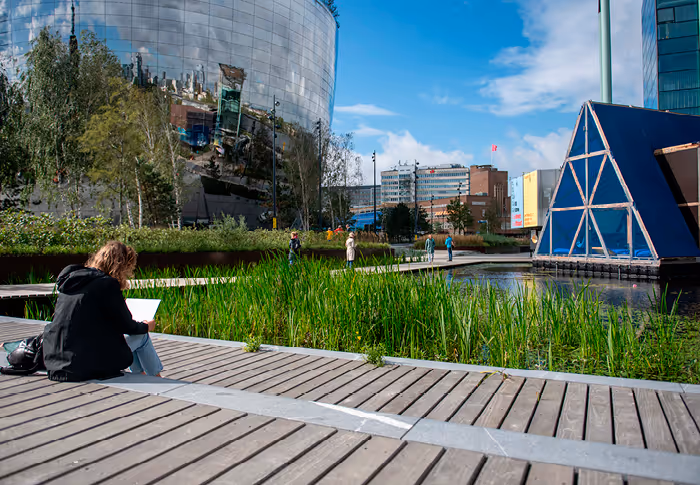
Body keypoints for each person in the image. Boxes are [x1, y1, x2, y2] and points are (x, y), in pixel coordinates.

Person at [42, 241, 163, 382]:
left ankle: (142, 375)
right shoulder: (107, 284)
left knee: (135, 335)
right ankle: (156, 378)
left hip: (57, 359)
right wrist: (147, 326)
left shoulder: (72, 282)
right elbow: (127, 326)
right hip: (84, 363)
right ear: (121, 266)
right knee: (142, 336)